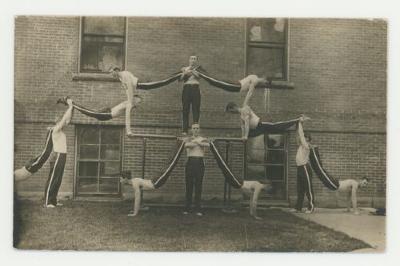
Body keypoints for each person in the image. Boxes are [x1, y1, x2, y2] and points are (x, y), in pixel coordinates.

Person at [15, 98, 73, 208]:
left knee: (58, 179)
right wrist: (70, 106)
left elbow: (68, 119)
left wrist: (72, 107)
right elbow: (65, 119)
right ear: (56, 121)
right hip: (57, 155)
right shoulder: (55, 129)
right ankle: (48, 202)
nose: (61, 120)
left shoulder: (58, 129)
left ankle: (54, 200)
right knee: (53, 178)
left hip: (62, 156)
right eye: (58, 119)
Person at [225, 102, 303, 140]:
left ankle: (297, 119)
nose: (232, 113)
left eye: (231, 111)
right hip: (258, 129)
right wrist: (243, 136)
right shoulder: (241, 116)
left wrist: (245, 136)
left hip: (262, 124)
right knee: (247, 135)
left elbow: (247, 124)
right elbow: (243, 127)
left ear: (233, 108)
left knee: (277, 127)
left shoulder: (245, 109)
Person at [183, 123, 209, 216]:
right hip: (190, 162)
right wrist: (198, 143)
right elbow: (186, 145)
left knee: (198, 185)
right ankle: (187, 208)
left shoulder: (203, 138)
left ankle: (198, 208)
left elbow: (207, 145)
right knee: (189, 185)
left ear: (200, 129)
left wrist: (197, 142)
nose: (196, 130)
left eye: (197, 128)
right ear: (191, 130)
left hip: (199, 163)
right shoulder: (188, 139)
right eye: (194, 128)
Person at [293, 116, 315, 214]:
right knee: (300, 189)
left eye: (306, 138)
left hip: (305, 167)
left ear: (308, 139)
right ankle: (298, 207)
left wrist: (301, 124)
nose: (303, 139)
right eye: (304, 137)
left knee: (308, 188)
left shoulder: (307, 146)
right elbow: (298, 136)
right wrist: (299, 123)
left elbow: (301, 136)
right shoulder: (302, 145)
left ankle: (311, 207)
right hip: (300, 168)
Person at [180, 55, 207, 135]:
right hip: (187, 89)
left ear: (196, 61)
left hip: (195, 89)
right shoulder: (184, 68)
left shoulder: (199, 69)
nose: (193, 60)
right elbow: (180, 79)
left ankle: (195, 130)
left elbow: (199, 76)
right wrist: (185, 72)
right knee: (185, 109)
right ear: (189, 60)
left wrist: (192, 71)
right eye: (192, 58)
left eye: (195, 59)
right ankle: (185, 130)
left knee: (196, 109)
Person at [109, 66, 140, 136]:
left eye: (112, 72)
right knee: (124, 105)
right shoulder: (120, 78)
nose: (111, 75)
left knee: (127, 113)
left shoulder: (125, 75)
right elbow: (127, 90)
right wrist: (129, 100)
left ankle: (129, 131)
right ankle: (111, 110)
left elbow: (130, 88)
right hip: (132, 97)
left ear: (116, 71)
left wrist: (131, 101)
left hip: (137, 88)